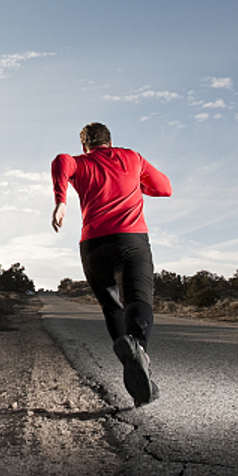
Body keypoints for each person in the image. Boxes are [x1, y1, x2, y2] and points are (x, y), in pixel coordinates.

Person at [51, 122, 172, 406]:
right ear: (110, 141)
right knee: (138, 300)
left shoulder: (79, 163)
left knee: (112, 307)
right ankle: (139, 352)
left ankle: (135, 371)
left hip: (92, 247)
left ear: (85, 146)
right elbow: (165, 188)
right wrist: (139, 183)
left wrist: (61, 201)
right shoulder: (132, 158)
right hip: (130, 241)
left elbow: (61, 161)